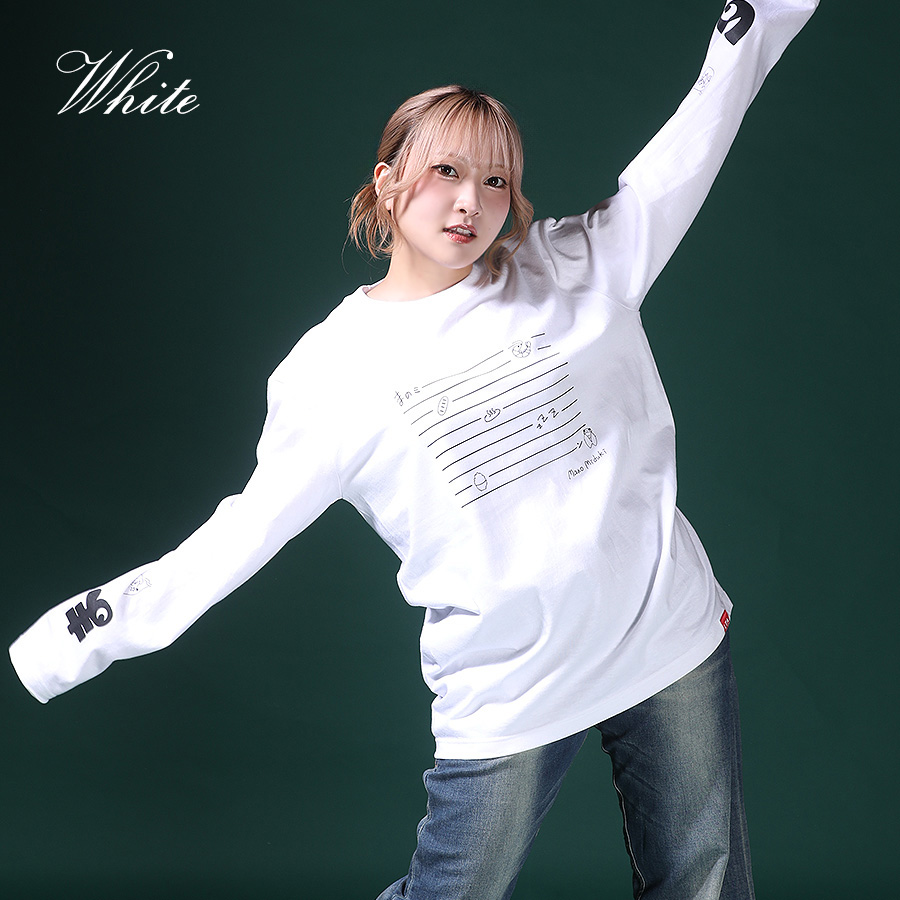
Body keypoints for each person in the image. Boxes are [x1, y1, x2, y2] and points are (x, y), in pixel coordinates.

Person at [9, 2, 819, 898]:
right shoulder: (332, 372)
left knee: (704, 882)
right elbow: (239, 536)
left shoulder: (573, 270)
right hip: (511, 688)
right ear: (388, 183)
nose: (472, 200)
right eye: (446, 172)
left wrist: (760, 20)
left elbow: (691, 145)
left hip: (664, 636)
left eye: (497, 180)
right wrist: (80, 636)